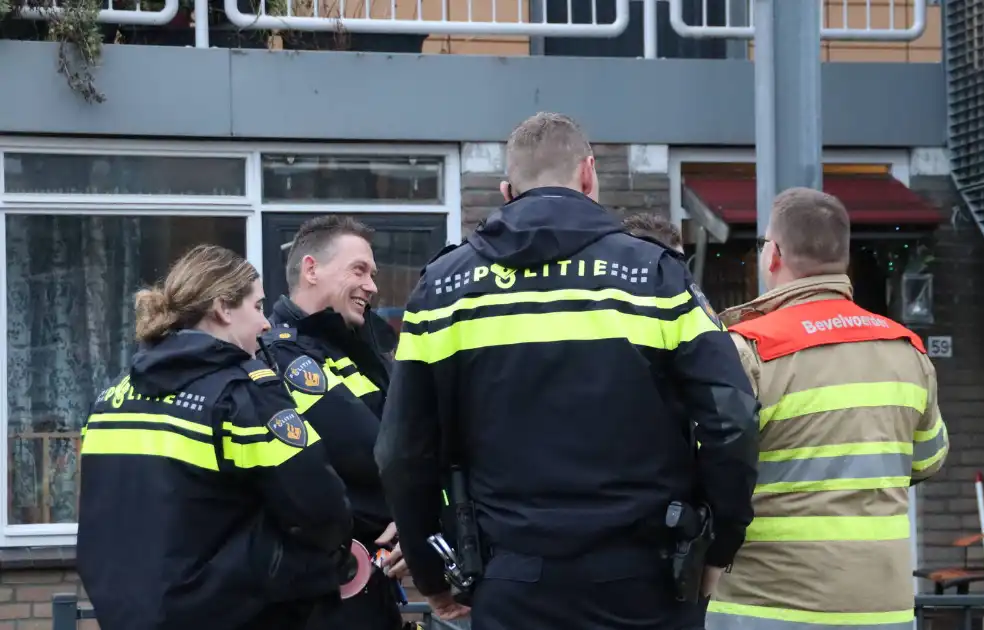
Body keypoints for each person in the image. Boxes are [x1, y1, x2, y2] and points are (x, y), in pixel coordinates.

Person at [376, 111, 762, 630]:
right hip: (646, 583)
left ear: (506, 191)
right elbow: (731, 420)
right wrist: (717, 548)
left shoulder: (442, 291)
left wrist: (431, 575)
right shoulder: (654, 279)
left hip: (510, 583)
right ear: (588, 174)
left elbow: (402, 451)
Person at [705, 188, 949, 630]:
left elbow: (706, 465)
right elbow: (928, 459)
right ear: (844, 257)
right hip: (882, 609)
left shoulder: (747, 351)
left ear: (773, 255)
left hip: (767, 607)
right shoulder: (905, 350)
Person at [77, 245, 353, 630]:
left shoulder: (110, 398)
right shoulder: (243, 395)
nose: (266, 324)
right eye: (257, 307)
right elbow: (322, 509)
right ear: (223, 308)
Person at [259, 215, 408, 630]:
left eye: (373, 274)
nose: (372, 286)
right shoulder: (283, 355)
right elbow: (377, 452)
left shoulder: (352, 349)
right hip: (324, 600)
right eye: (359, 270)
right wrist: (413, 507)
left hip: (367, 586)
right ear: (311, 269)